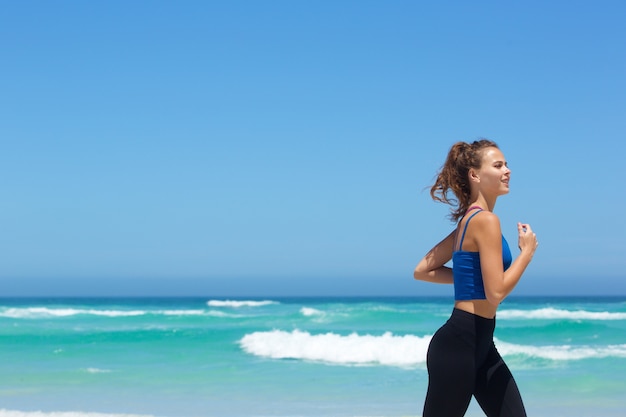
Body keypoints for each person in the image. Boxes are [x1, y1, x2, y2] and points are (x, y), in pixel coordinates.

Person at [413, 139, 538, 417]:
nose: (508, 170)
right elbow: (496, 293)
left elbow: (423, 269)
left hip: (481, 343)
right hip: (460, 345)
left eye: (506, 164)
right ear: (475, 175)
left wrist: (472, 280)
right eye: (498, 165)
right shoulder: (485, 221)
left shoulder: (469, 221)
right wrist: (526, 254)